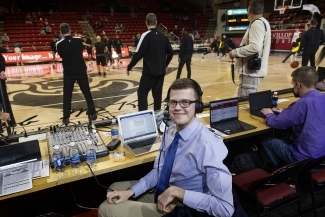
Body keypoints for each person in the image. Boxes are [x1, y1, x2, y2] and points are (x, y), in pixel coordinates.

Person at [98, 78, 234, 217]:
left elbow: (225, 208)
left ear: (197, 105)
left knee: (105, 208)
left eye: (185, 102)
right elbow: (159, 172)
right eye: (173, 102)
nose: (178, 107)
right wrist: (130, 192)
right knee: (114, 188)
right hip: (166, 190)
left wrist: (177, 192)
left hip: (185, 207)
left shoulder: (208, 145)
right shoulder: (170, 132)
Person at [261, 66, 325, 170]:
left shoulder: (302, 103)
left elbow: (275, 123)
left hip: (305, 158)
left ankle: (282, 176)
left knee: (268, 142)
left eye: (293, 84)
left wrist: (269, 114)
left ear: (298, 84)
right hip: (322, 157)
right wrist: (288, 112)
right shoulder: (323, 97)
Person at [127, 13, 173, 112]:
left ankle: (144, 116)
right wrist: (165, 64)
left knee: (142, 92)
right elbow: (171, 53)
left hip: (149, 73)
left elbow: (138, 54)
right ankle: (157, 115)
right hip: (161, 72)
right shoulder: (163, 36)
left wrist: (129, 67)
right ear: (156, 22)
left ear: (146, 23)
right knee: (157, 95)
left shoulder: (145, 36)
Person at [228, 0, 271, 99]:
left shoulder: (257, 24)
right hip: (254, 70)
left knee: (244, 103)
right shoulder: (263, 22)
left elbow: (255, 47)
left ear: (249, 10)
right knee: (247, 100)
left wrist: (235, 52)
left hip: (251, 72)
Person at [56, 23, 96, 124]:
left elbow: (62, 55)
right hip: (80, 70)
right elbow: (80, 51)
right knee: (87, 92)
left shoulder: (59, 44)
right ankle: (93, 113)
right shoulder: (79, 40)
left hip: (69, 72)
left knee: (67, 95)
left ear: (60, 32)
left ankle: (66, 117)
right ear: (69, 29)